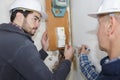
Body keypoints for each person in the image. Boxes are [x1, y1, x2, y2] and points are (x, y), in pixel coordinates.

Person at [0, 0, 74, 80]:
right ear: (19, 16)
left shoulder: (4, 34)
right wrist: (67, 60)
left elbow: (24, 64)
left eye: (39, 21)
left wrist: (44, 50)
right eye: (35, 19)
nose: (37, 25)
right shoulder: (22, 44)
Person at [80, 0, 120, 80]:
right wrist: (83, 58)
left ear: (110, 26)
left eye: (99, 23)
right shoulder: (112, 71)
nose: (97, 33)